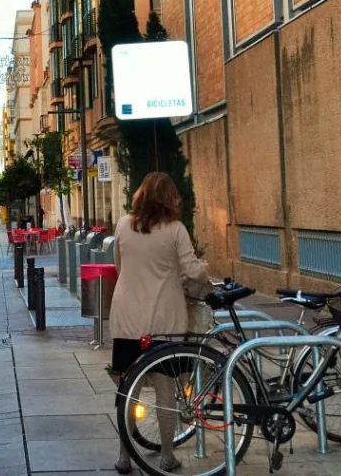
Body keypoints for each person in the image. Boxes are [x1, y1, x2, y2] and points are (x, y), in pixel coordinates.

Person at [108, 172, 208, 474]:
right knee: (165, 391)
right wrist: (206, 269)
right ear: (170, 199)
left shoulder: (123, 225)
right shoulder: (176, 229)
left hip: (126, 318)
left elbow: (118, 265)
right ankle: (166, 455)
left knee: (127, 390)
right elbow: (192, 271)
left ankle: (124, 456)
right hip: (164, 320)